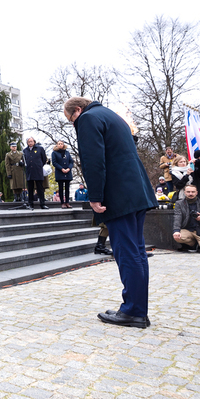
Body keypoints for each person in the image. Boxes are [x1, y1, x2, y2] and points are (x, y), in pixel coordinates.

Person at [64, 97, 156, 329]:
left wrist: (95, 196)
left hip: (119, 194)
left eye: (71, 119)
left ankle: (133, 312)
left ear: (77, 109)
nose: (74, 124)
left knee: (127, 253)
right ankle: (137, 309)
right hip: (136, 191)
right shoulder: (114, 117)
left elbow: (93, 160)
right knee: (136, 251)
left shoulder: (87, 118)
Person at [23, 137, 48, 209]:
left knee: (40, 188)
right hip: (29, 171)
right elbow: (24, 159)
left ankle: (42, 204)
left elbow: (44, 159)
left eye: (31, 141)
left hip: (38, 171)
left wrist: (39, 165)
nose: (30, 143)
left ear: (34, 141)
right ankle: (30, 204)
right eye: (29, 142)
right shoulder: (25, 150)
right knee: (30, 189)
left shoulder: (40, 149)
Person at [52, 140, 74, 208]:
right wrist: (61, 169)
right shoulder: (54, 153)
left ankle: (67, 202)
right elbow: (54, 162)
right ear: (57, 145)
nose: (60, 145)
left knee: (67, 188)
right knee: (60, 188)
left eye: (61, 144)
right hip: (60, 172)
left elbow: (71, 162)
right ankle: (62, 202)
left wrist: (69, 168)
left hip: (67, 172)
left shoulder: (67, 153)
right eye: (59, 144)